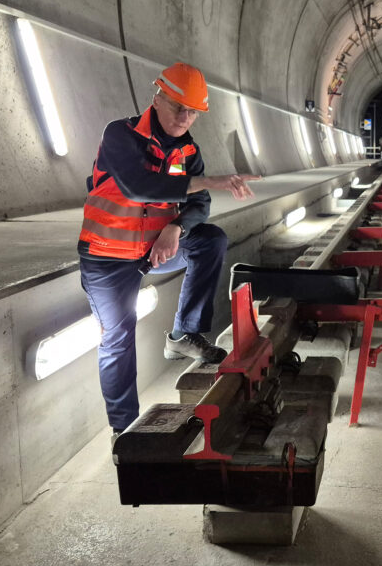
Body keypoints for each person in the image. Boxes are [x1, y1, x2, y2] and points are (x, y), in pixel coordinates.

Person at [77, 62, 258, 436]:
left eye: (193, 111)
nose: (185, 117)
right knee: (117, 337)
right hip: (108, 259)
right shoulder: (120, 135)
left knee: (210, 239)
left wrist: (175, 227)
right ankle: (124, 431)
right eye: (178, 107)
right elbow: (139, 187)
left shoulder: (188, 151)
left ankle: (182, 335)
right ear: (157, 97)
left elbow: (201, 204)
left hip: (151, 253)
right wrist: (213, 179)